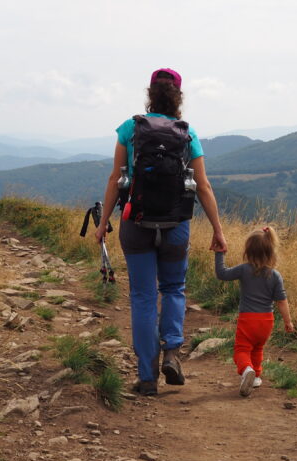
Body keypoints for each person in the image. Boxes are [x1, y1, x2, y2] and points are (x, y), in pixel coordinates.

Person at [96, 68, 227, 396]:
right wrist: (218, 230)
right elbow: (203, 185)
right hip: (175, 225)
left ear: (150, 94)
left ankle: (147, 377)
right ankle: (171, 352)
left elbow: (116, 178)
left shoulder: (130, 128)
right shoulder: (187, 132)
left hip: (136, 223)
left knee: (142, 296)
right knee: (173, 288)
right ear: (178, 96)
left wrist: (102, 223)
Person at [214, 226, 294, 397]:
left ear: (248, 251)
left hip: (248, 319)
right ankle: (256, 376)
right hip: (267, 321)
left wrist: (219, 253)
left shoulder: (244, 270)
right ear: (271, 252)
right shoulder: (275, 275)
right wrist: (288, 321)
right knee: (258, 348)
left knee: (241, 351)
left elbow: (222, 274)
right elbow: (281, 301)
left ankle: (246, 370)